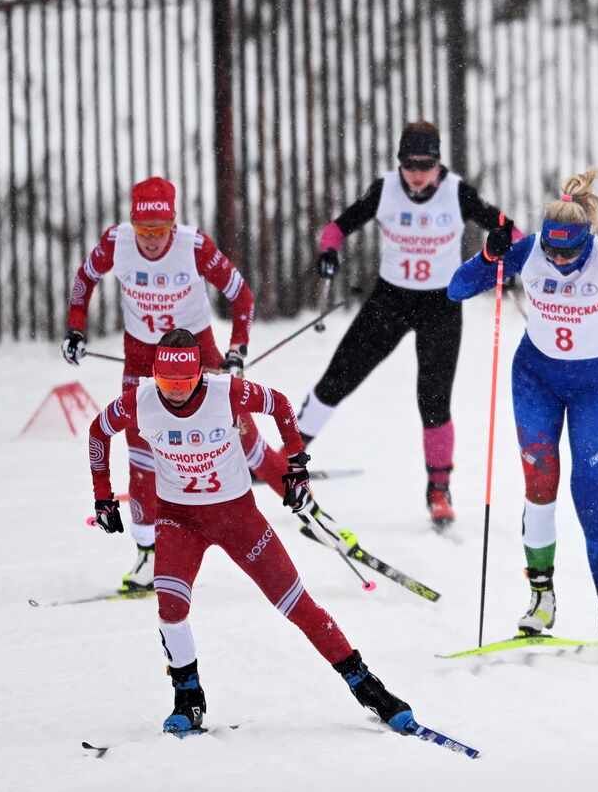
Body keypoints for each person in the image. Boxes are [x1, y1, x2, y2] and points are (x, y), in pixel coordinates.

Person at [87, 329, 418, 734]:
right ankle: (188, 697)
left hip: (238, 519)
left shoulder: (225, 392)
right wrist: (103, 497)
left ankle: (366, 685)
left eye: (184, 383)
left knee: (297, 605)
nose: (174, 392)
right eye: (166, 383)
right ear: (155, 375)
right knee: (170, 609)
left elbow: (278, 404)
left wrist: (296, 466)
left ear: (199, 377)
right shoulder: (140, 400)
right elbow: (98, 432)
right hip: (179, 520)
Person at [447, 166, 598, 653]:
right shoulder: (528, 250)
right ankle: (541, 598)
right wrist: (490, 254)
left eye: (568, 252)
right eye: (552, 250)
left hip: (594, 385)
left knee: (590, 497)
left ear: (585, 240)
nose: (558, 260)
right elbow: (457, 288)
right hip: (536, 380)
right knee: (539, 486)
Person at [62, 176, 293, 594]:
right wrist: (75, 329)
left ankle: (302, 500)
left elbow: (242, 296)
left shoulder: (194, 245)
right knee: (142, 456)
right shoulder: (117, 242)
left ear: (174, 223)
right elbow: (83, 283)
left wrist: (237, 349)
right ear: (131, 223)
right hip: (141, 359)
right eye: (143, 229)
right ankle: (148, 554)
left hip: (199, 358)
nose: (151, 240)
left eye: (160, 229)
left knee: (245, 441)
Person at [301, 121, 516, 530]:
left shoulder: (457, 192)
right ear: (399, 163)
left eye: (426, 165)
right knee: (338, 379)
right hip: (391, 301)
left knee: (433, 401)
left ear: (438, 163)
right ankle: (287, 457)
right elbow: (337, 227)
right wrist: (329, 252)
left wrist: (511, 253)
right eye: (410, 165)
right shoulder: (384, 189)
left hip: (442, 304)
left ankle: (439, 490)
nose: (417, 174)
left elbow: (507, 227)